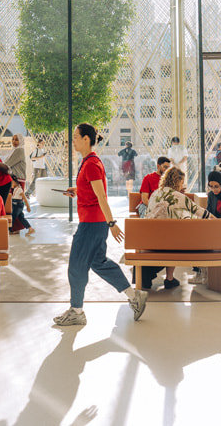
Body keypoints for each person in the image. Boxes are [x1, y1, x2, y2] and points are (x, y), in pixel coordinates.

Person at [53, 123, 147, 326]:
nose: (73, 141)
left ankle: (76, 311)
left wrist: (111, 223)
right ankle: (134, 296)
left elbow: (102, 197)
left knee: (77, 267)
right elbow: (92, 189)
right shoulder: (88, 162)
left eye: (76, 137)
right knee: (99, 263)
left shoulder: (92, 164)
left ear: (86, 139)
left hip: (92, 224)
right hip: (94, 222)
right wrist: (77, 190)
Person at [140, 166, 213, 290]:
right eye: (182, 182)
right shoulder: (178, 196)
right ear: (177, 182)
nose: (182, 185)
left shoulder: (155, 194)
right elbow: (200, 212)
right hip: (167, 244)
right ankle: (170, 278)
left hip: (149, 239)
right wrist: (218, 221)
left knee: (170, 234)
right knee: (176, 237)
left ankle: (163, 278)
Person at [3, 134, 34, 235]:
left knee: (15, 204)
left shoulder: (19, 150)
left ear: (21, 141)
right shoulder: (15, 150)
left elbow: (8, 163)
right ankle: (17, 227)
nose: (14, 141)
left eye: (16, 140)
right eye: (12, 139)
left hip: (18, 180)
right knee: (14, 204)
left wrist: (0, 165)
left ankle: (15, 228)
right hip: (15, 179)